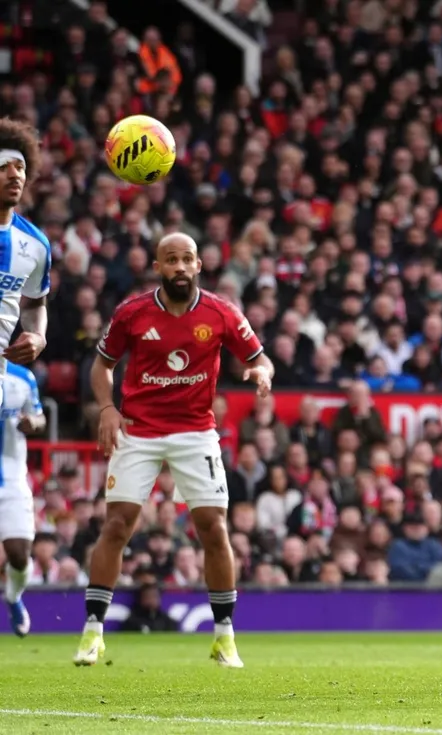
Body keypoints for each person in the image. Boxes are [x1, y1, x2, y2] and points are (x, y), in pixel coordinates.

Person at [74, 232, 274, 668]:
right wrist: (107, 408)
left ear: (199, 265)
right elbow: (102, 365)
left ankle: (224, 637)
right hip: (139, 430)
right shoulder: (132, 312)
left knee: (213, 527)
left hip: (196, 432)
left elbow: (260, 356)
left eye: (187, 259)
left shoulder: (222, 312)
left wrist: (261, 373)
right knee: (117, 526)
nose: (180, 267)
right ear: (157, 266)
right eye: (171, 260)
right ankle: (93, 631)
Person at [0, 118, 53, 635]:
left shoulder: (33, 244)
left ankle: (15, 599)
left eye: (20, 166)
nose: (14, 174)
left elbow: (36, 308)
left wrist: (37, 337)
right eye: (3, 166)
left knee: (18, 551)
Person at [1, 365, 46, 636]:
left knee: (18, 555)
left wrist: (33, 423)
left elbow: (39, 417)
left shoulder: (22, 377)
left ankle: (13, 596)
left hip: (13, 477)